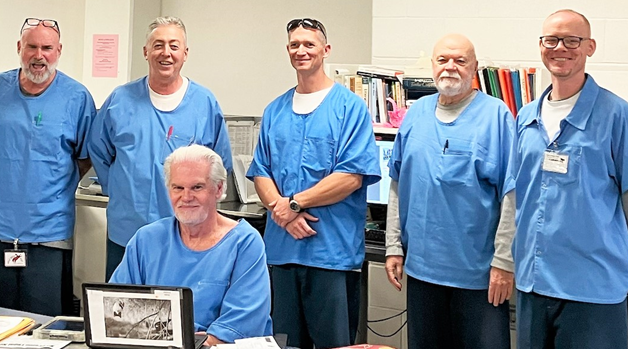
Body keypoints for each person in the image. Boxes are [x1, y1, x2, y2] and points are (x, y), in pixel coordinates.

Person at [510, 9, 628, 348]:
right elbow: (516, 194)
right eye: (551, 40)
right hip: (533, 282)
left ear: (590, 47)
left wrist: (619, 241)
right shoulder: (525, 118)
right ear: (540, 46)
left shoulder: (616, 114)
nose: (560, 48)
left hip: (591, 285)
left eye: (572, 40)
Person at [246, 18, 380, 349]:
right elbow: (261, 171)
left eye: (309, 44)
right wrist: (283, 212)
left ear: (326, 50)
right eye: (295, 45)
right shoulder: (275, 110)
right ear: (287, 51)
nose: (301, 50)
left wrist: (293, 204)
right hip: (282, 253)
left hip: (330, 255)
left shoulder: (350, 108)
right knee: (283, 343)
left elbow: (351, 177)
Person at [383, 34, 514, 349]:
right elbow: (398, 184)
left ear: (474, 68)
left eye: (460, 60)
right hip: (422, 272)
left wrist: (504, 262)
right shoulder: (415, 114)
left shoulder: (497, 117)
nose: (450, 68)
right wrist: (393, 246)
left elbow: (513, 196)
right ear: (432, 65)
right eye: (443, 60)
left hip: (478, 277)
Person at [0, 18, 95, 317]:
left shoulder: (76, 97)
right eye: (31, 46)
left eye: (47, 48)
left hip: (50, 230)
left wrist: (49, 184)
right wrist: (11, 172)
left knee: (45, 323)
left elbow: (86, 156)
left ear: (59, 51)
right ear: (19, 48)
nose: (39, 55)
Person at [88, 16, 232, 281]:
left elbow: (220, 166)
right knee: (121, 313)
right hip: (126, 233)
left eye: (174, 46)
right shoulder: (120, 100)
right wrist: (119, 189)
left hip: (185, 236)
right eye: (158, 45)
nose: (166, 53)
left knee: (179, 315)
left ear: (185, 54)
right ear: (145, 51)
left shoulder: (204, 104)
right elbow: (98, 149)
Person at [111, 145, 273, 345]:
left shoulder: (245, 243)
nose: (186, 197)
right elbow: (116, 308)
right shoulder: (146, 239)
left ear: (219, 189)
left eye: (197, 187)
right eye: (178, 188)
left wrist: (190, 343)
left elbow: (243, 322)